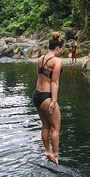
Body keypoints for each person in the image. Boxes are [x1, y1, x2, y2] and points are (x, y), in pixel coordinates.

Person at [33, 31, 65, 164]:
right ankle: (56, 155)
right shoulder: (57, 61)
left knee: (45, 125)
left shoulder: (40, 59)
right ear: (57, 48)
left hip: (37, 95)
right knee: (56, 128)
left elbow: (39, 77)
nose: (61, 52)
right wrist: (53, 101)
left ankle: (47, 151)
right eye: (61, 50)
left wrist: (38, 96)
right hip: (47, 97)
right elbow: (54, 82)